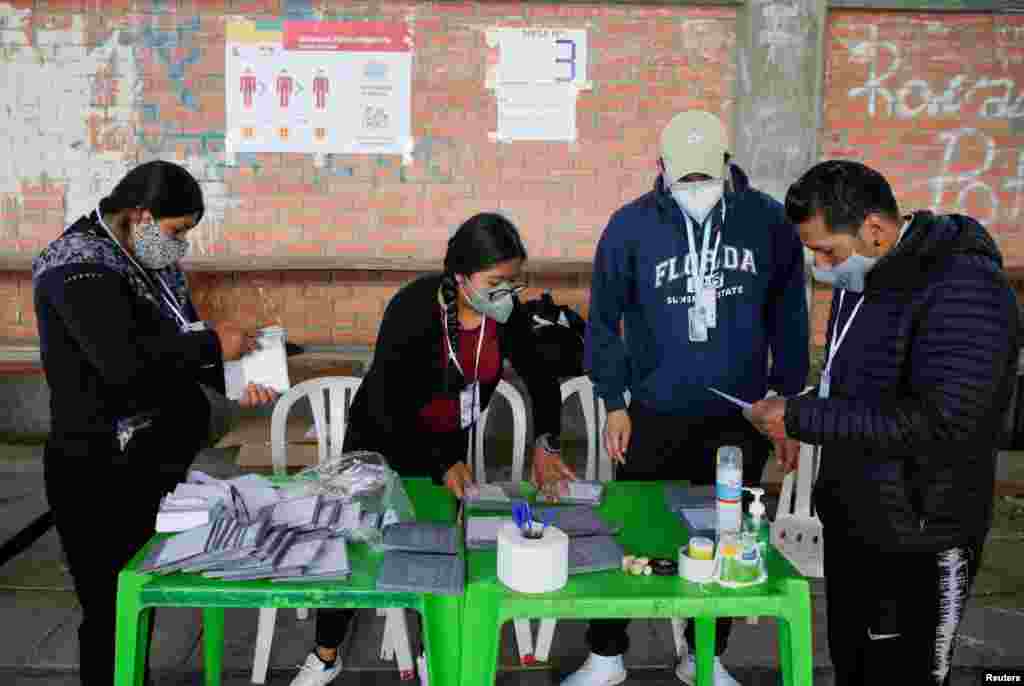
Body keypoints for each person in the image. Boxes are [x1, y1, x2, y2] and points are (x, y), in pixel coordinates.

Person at [748, 160, 1019, 686]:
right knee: (855, 666)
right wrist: (801, 411)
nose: (820, 265)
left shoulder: (964, 287)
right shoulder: (866, 275)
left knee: (902, 675)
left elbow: (945, 421)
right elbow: (858, 390)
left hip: (921, 535)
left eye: (826, 250)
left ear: (874, 228)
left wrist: (805, 415)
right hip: (859, 521)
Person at [569, 110, 810, 686]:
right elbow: (604, 321)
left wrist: (790, 407)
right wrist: (614, 402)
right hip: (654, 411)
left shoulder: (768, 223)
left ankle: (703, 656)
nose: (697, 189)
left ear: (728, 165)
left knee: (728, 540)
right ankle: (607, 653)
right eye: (686, 180)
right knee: (632, 533)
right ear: (660, 170)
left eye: (707, 177)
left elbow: (790, 317)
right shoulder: (630, 227)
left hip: (742, 419)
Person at [291, 212, 575, 686]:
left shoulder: (505, 316)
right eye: (497, 281)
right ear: (461, 277)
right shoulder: (413, 309)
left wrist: (545, 443)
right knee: (355, 543)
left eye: (515, 281)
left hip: (446, 445)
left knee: (438, 549)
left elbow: (542, 379)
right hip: (381, 438)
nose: (508, 292)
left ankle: (432, 655)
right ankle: (325, 654)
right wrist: (440, 463)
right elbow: (387, 404)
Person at [32, 160, 275, 686]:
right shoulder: (76, 266)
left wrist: (234, 373)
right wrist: (213, 343)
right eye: (177, 231)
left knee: (138, 603)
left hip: (152, 460)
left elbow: (175, 342)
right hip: (99, 468)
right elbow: (122, 363)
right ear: (140, 214)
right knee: (111, 611)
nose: (181, 244)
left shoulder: (147, 255)